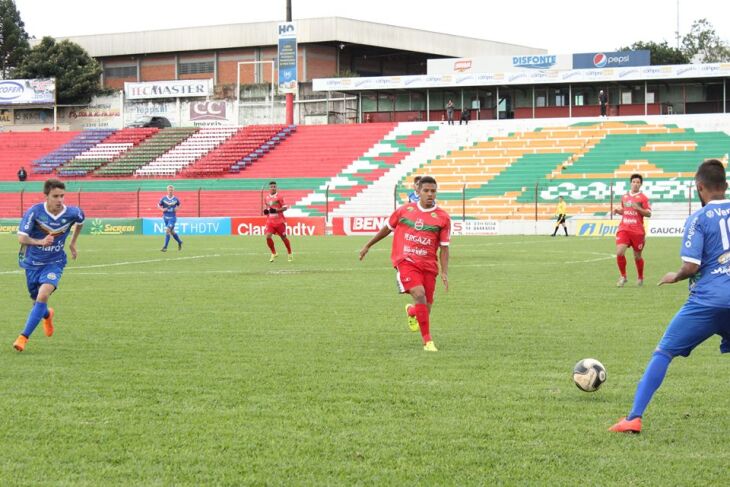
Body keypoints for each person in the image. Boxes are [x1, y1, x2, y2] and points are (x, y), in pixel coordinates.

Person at [609, 159, 730, 434]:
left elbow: (692, 266)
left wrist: (674, 276)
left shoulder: (697, 219)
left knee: (664, 351)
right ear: (726, 186)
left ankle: (634, 418)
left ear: (699, 188)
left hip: (706, 302)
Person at [359, 176, 450, 352]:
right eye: (426, 191)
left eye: (433, 191)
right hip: (406, 260)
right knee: (419, 293)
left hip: (429, 264)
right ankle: (428, 341)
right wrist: (368, 245)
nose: (430, 194)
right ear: (418, 192)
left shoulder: (443, 218)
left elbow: (445, 248)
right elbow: (387, 228)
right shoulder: (404, 210)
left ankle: (412, 312)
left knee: (425, 307)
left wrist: (445, 272)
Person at [13, 178, 84, 352]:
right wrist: (40, 241)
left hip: (55, 262)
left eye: (62, 196)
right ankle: (47, 314)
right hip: (32, 263)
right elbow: (21, 238)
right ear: (46, 196)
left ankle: (23, 337)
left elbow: (80, 222)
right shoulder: (35, 212)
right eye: (55, 196)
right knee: (37, 303)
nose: (60, 200)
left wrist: (73, 243)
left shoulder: (73, 212)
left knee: (43, 295)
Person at [613, 174, 651, 287]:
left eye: (638, 182)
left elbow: (648, 213)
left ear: (640, 184)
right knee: (619, 252)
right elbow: (625, 211)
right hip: (624, 228)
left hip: (637, 231)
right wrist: (618, 211)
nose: (635, 184)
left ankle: (640, 277)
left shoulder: (643, 198)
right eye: (634, 182)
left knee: (637, 256)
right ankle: (623, 276)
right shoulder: (624, 197)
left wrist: (638, 207)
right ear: (630, 183)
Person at [264, 180, 293, 262]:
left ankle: (289, 253)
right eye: (271, 187)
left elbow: (285, 208)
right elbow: (268, 208)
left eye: (274, 187)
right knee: (268, 236)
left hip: (279, 222)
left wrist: (276, 211)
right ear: (269, 188)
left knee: (283, 237)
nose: (273, 188)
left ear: (276, 187)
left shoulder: (279, 197)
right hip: (270, 222)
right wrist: (266, 211)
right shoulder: (266, 198)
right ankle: (273, 253)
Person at [159, 185, 183, 252]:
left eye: (171, 190)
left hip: (172, 218)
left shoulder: (175, 199)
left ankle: (165, 247)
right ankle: (180, 242)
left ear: (173, 191)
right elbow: (158, 205)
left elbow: (180, 205)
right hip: (165, 218)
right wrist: (162, 209)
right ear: (167, 190)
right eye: (169, 190)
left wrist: (177, 208)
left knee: (167, 230)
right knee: (172, 232)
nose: (170, 191)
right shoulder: (163, 198)